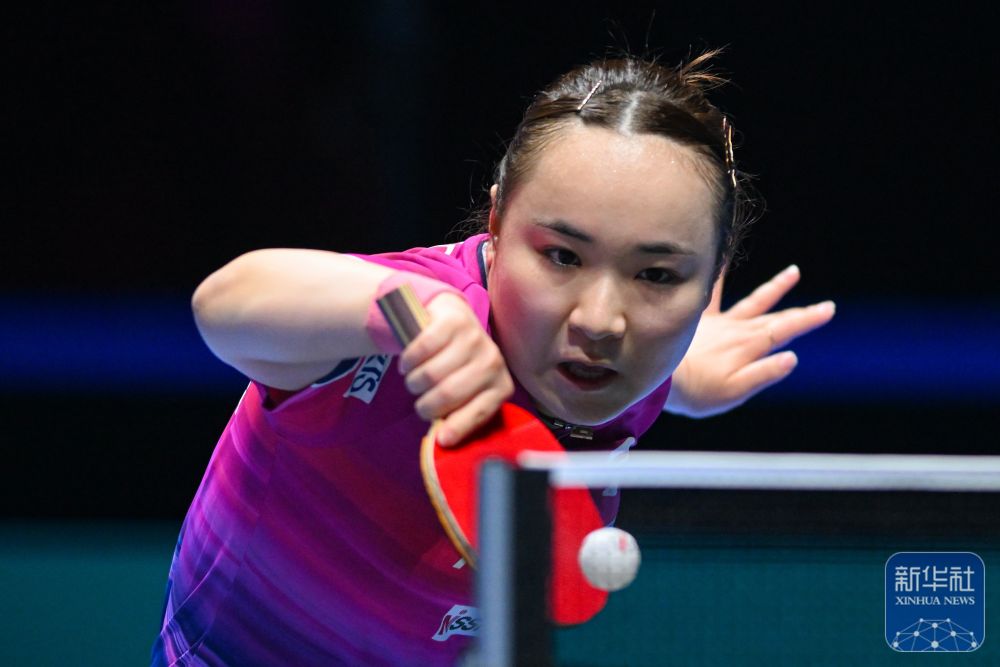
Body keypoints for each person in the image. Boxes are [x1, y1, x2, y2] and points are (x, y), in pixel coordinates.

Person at [151, 51, 835, 666]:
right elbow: (226, 303)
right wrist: (410, 313)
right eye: (561, 256)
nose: (600, 320)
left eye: (656, 275)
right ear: (497, 223)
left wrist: (680, 379)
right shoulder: (402, 324)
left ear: (713, 273)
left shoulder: (626, 365)